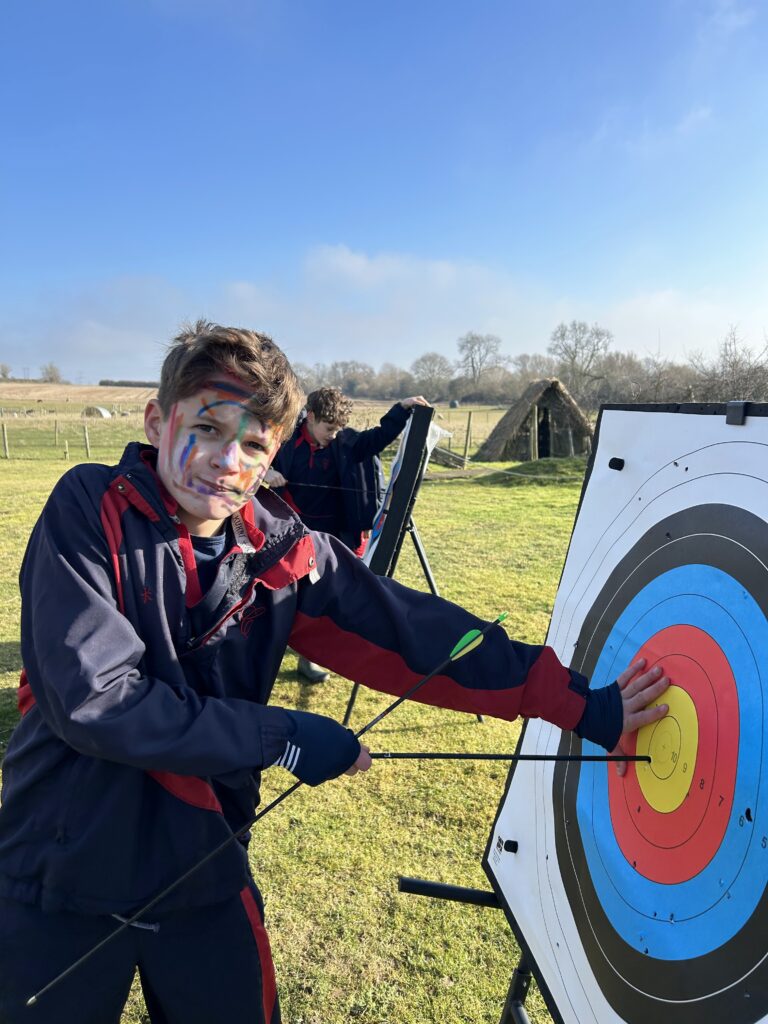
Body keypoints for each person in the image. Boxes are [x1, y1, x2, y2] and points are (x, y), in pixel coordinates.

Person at [0, 320, 669, 1024]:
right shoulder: (88, 507)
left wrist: (582, 707)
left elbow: (414, 632)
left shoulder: (280, 551)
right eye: (208, 427)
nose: (228, 461)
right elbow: (98, 701)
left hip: (201, 862)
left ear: (273, 457)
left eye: (254, 444)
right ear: (156, 420)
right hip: (58, 866)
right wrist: (280, 735)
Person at [267, 386, 428, 681]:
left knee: (326, 596)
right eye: (329, 428)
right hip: (293, 532)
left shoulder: (345, 442)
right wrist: (265, 472)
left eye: (338, 428)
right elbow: (255, 454)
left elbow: (376, 438)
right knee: (286, 593)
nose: (334, 434)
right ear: (311, 417)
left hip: (336, 536)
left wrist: (401, 409)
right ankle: (272, 647)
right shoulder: (284, 440)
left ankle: (310, 658)